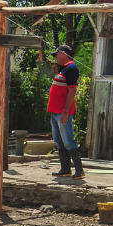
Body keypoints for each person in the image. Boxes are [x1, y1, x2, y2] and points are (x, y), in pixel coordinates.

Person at [47, 45, 84, 179]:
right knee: (59, 140)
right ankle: (65, 169)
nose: (55, 57)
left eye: (57, 54)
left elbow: (72, 91)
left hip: (62, 112)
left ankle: (79, 170)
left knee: (68, 140)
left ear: (64, 53)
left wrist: (65, 111)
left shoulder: (71, 68)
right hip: (55, 111)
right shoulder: (64, 69)